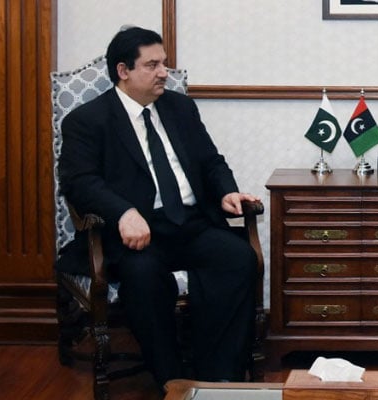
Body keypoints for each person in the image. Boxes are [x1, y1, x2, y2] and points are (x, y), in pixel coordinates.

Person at [57, 26, 260, 387]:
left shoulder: (179, 107)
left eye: (164, 63)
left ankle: (219, 379)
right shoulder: (88, 121)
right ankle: (172, 381)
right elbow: (80, 182)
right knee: (144, 277)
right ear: (124, 71)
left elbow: (211, 161)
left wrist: (227, 192)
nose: (165, 72)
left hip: (189, 224)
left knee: (237, 258)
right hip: (137, 236)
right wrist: (123, 212)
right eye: (153, 65)